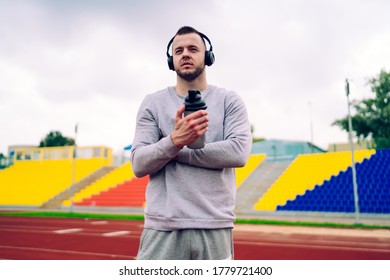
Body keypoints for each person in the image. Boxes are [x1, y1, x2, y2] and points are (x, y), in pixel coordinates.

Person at [130, 26, 252, 260]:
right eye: (179, 50)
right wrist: (174, 140)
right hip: (162, 228)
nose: (185, 54)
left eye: (193, 49)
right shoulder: (152, 103)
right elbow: (138, 163)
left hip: (215, 225)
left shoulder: (229, 101)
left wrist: (175, 149)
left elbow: (238, 153)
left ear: (207, 57)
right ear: (171, 60)